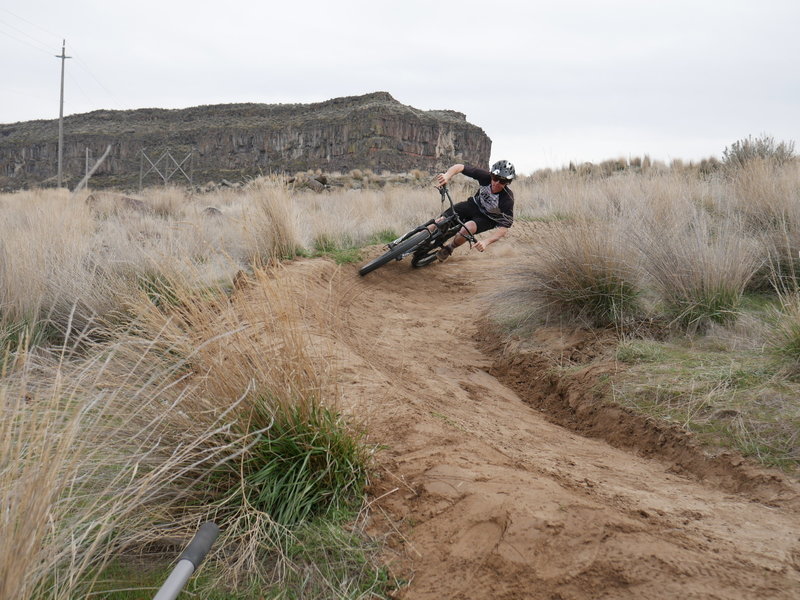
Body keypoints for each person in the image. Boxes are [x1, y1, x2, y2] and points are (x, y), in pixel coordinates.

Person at [433, 159, 516, 261]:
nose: (496, 183)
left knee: (468, 228)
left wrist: (486, 242)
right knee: (440, 221)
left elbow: (504, 228)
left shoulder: (507, 199)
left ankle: (450, 248)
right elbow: (460, 167)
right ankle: (417, 238)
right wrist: (447, 176)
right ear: (491, 175)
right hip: (474, 205)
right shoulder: (485, 177)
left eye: (502, 181)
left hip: (488, 218)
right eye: (495, 178)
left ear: (507, 183)